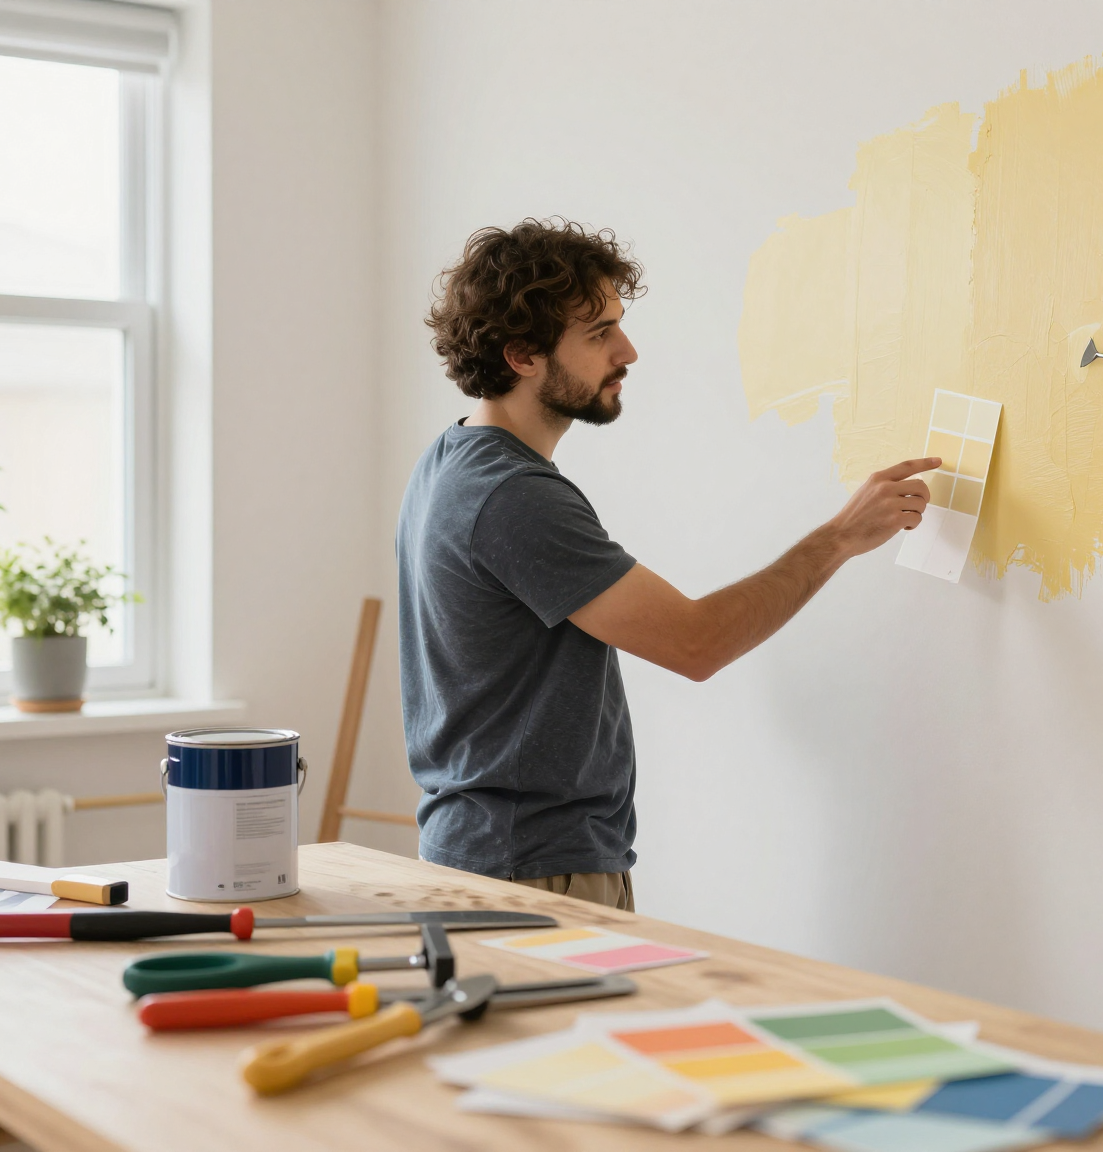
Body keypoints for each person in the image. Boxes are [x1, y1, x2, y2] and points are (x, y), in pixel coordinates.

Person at [397, 219, 935, 911]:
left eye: (619, 325)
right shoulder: (511, 496)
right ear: (522, 355)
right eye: (598, 334)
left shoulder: (449, 460)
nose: (628, 351)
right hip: (528, 875)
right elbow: (696, 642)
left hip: (496, 857)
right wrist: (837, 538)